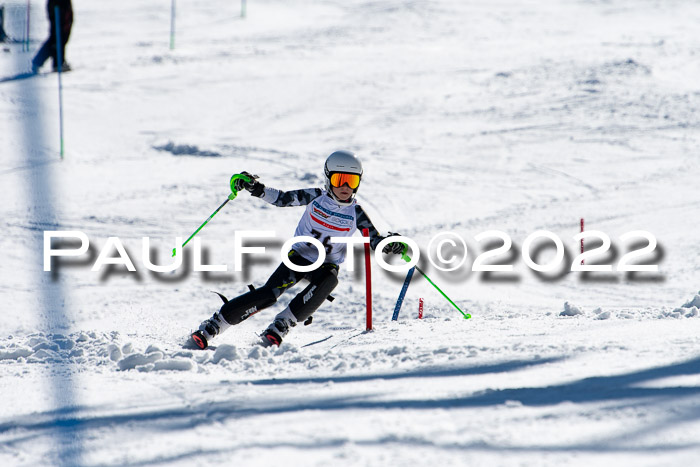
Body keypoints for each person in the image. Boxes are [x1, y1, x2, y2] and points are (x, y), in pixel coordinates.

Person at [191, 150, 405, 349]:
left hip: (326, 265)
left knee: (330, 281)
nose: (345, 186)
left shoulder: (355, 212)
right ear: (328, 178)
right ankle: (216, 324)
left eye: (352, 180)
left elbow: (374, 240)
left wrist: (389, 243)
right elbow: (283, 199)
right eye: (339, 179)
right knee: (269, 294)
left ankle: (283, 323)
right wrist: (256, 188)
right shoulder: (315, 196)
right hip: (299, 257)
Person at [32, 0, 73, 73]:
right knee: (58, 36)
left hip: (61, 5)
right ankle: (57, 64)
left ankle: (58, 62)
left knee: (60, 35)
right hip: (58, 5)